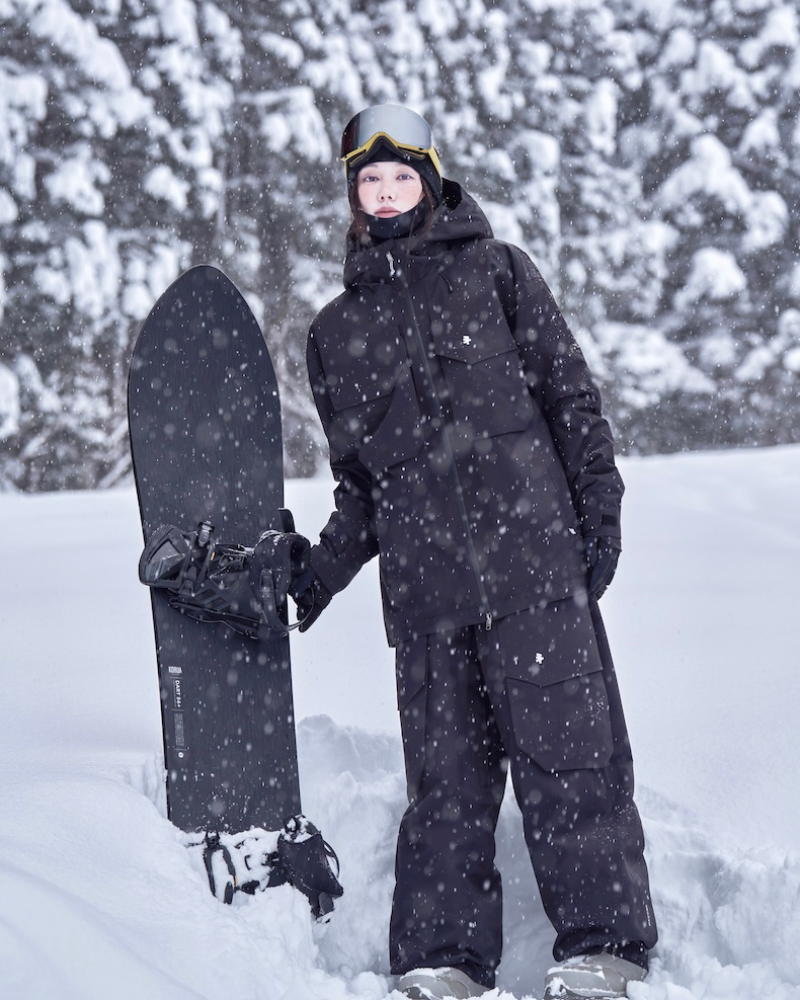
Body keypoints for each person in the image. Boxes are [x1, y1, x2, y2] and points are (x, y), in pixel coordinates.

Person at [290, 104, 658, 1000]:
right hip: (427, 599)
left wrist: (599, 516)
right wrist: (314, 577)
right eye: (369, 181)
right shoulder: (335, 334)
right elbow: (361, 491)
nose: (385, 193)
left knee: (572, 763)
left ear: (430, 180)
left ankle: (603, 948)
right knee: (444, 793)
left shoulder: (498, 273)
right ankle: (441, 962)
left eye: (400, 176)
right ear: (352, 195)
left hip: (535, 571)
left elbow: (570, 398)